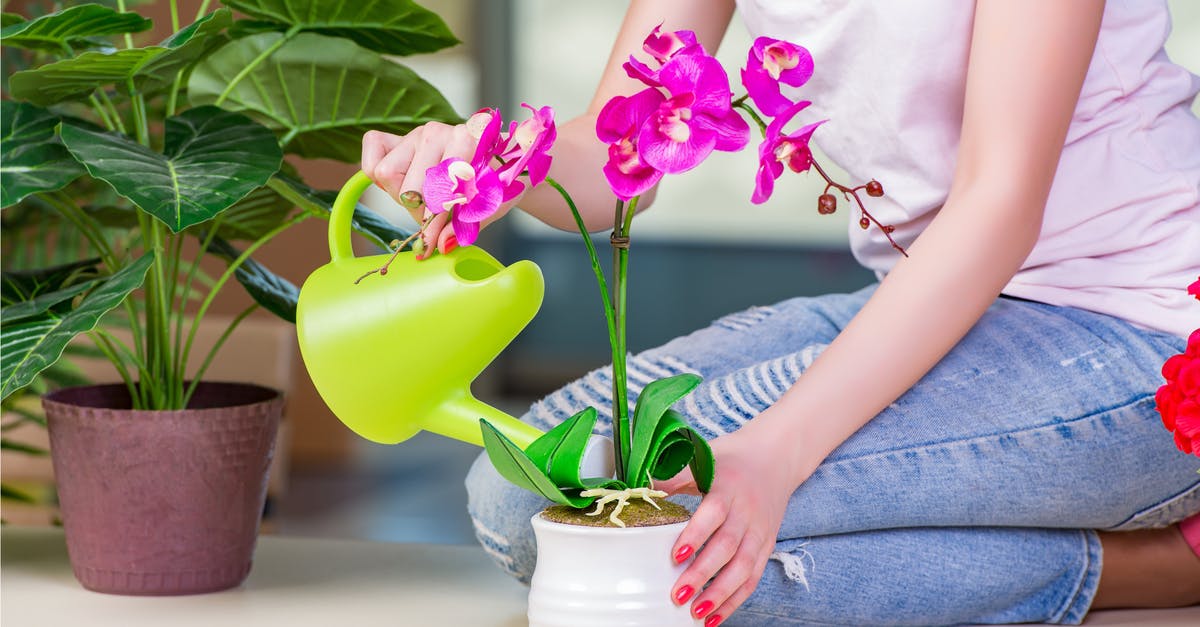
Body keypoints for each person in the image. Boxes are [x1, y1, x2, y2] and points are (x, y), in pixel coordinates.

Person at [361, 0, 1200, 624]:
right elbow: (616, 160)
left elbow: (998, 206)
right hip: (925, 306)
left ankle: (1155, 557)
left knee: (658, 563)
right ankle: (1125, 561)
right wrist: (496, 159)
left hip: (1139, 332)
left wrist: (774, 450)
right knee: (530, 497)